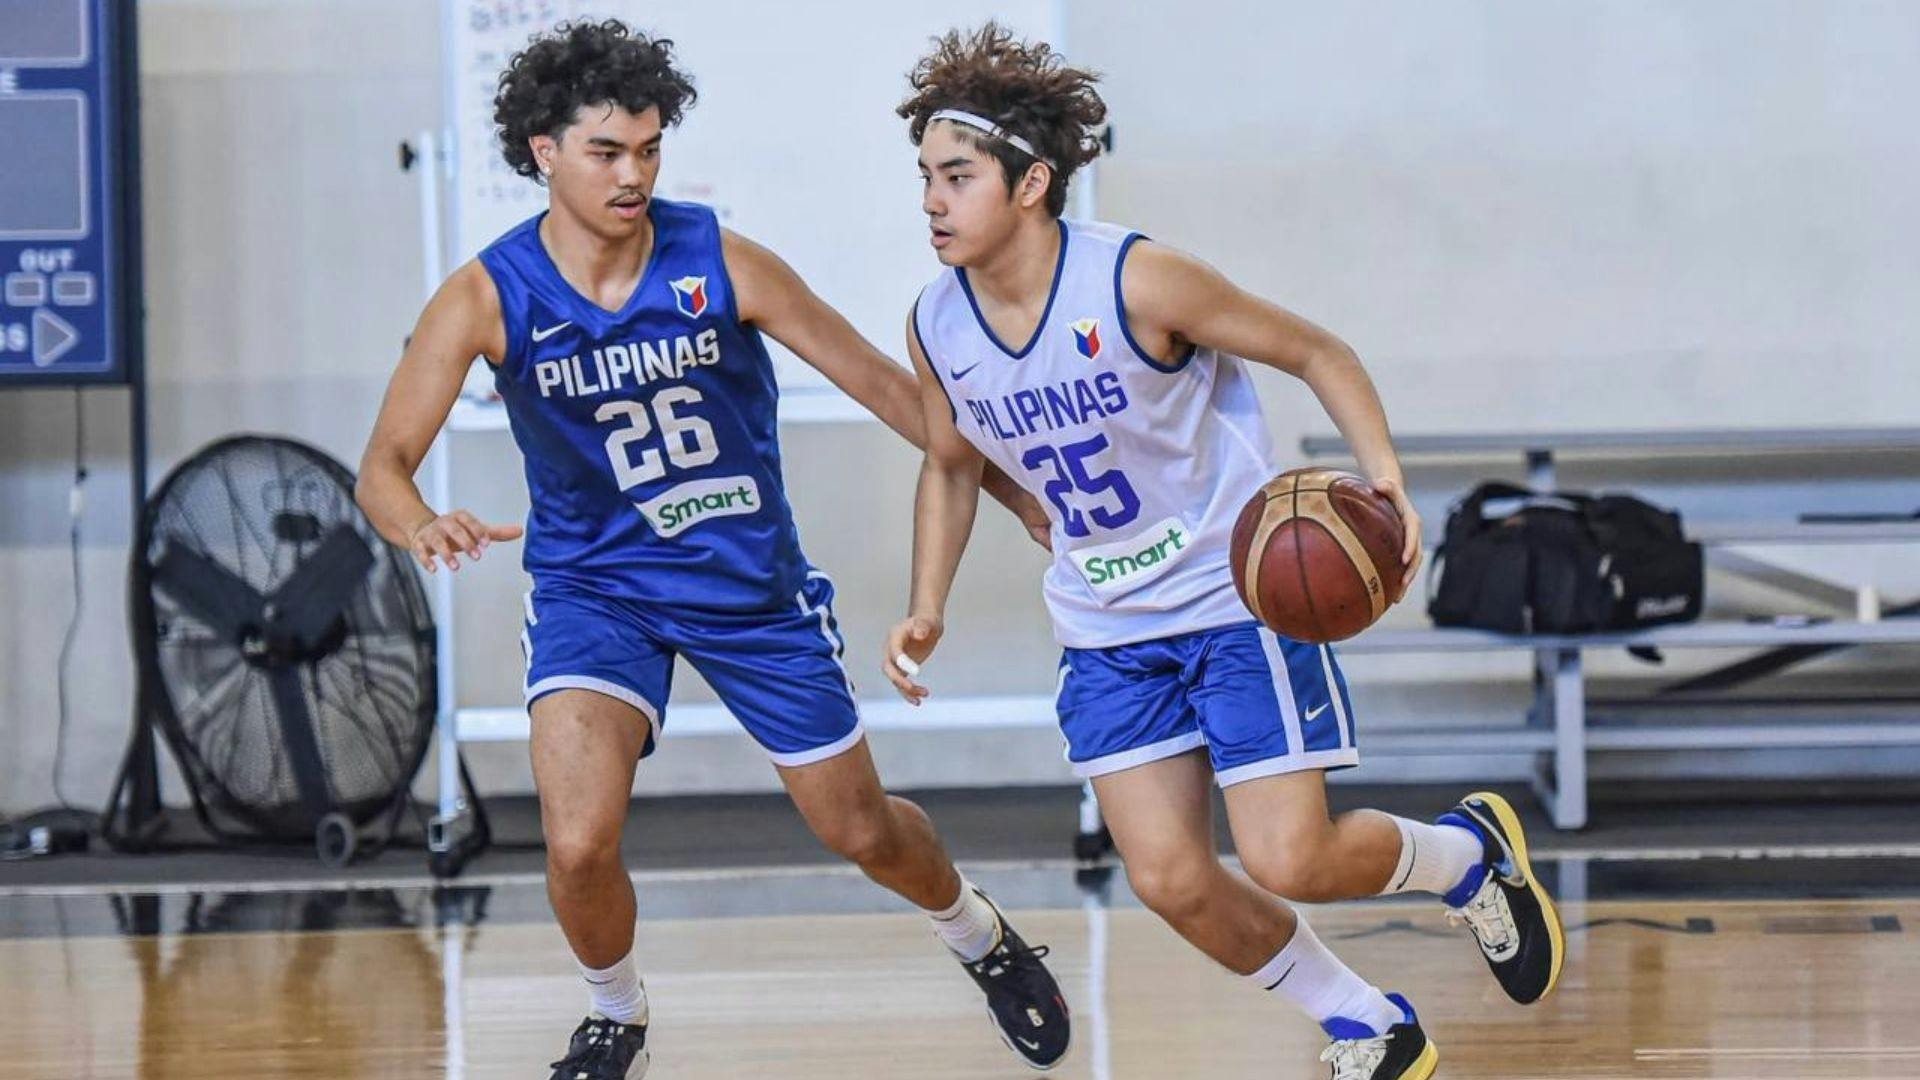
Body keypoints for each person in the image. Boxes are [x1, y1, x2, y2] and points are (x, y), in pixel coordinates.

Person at [356, 21, 1068, 1079]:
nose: (633, 174)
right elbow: (381, 466)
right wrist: (419, 520)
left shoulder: (721, 260)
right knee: (576, 842)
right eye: (607, 152)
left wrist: (1016, 492)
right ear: (544, 152)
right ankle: (617, 1016)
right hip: (595, 591)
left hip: (747, 587)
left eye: (649, 150)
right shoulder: (488, 293)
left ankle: (978, 933)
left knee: (860, 831)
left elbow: (887, 387)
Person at [882, 23, 1564, 1080]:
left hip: (1233, 603)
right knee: (1168, 879)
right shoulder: (936, 324)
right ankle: (1369, 1023)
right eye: (925, 176)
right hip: (1106, 629)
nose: (931, 199)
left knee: (1292, 857)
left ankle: (1467, 857)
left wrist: (1383, 476)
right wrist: (929, 604)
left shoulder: (1138, 281)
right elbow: (949, 463)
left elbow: (1316, 351)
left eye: (956, 177)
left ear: (1031, 184)